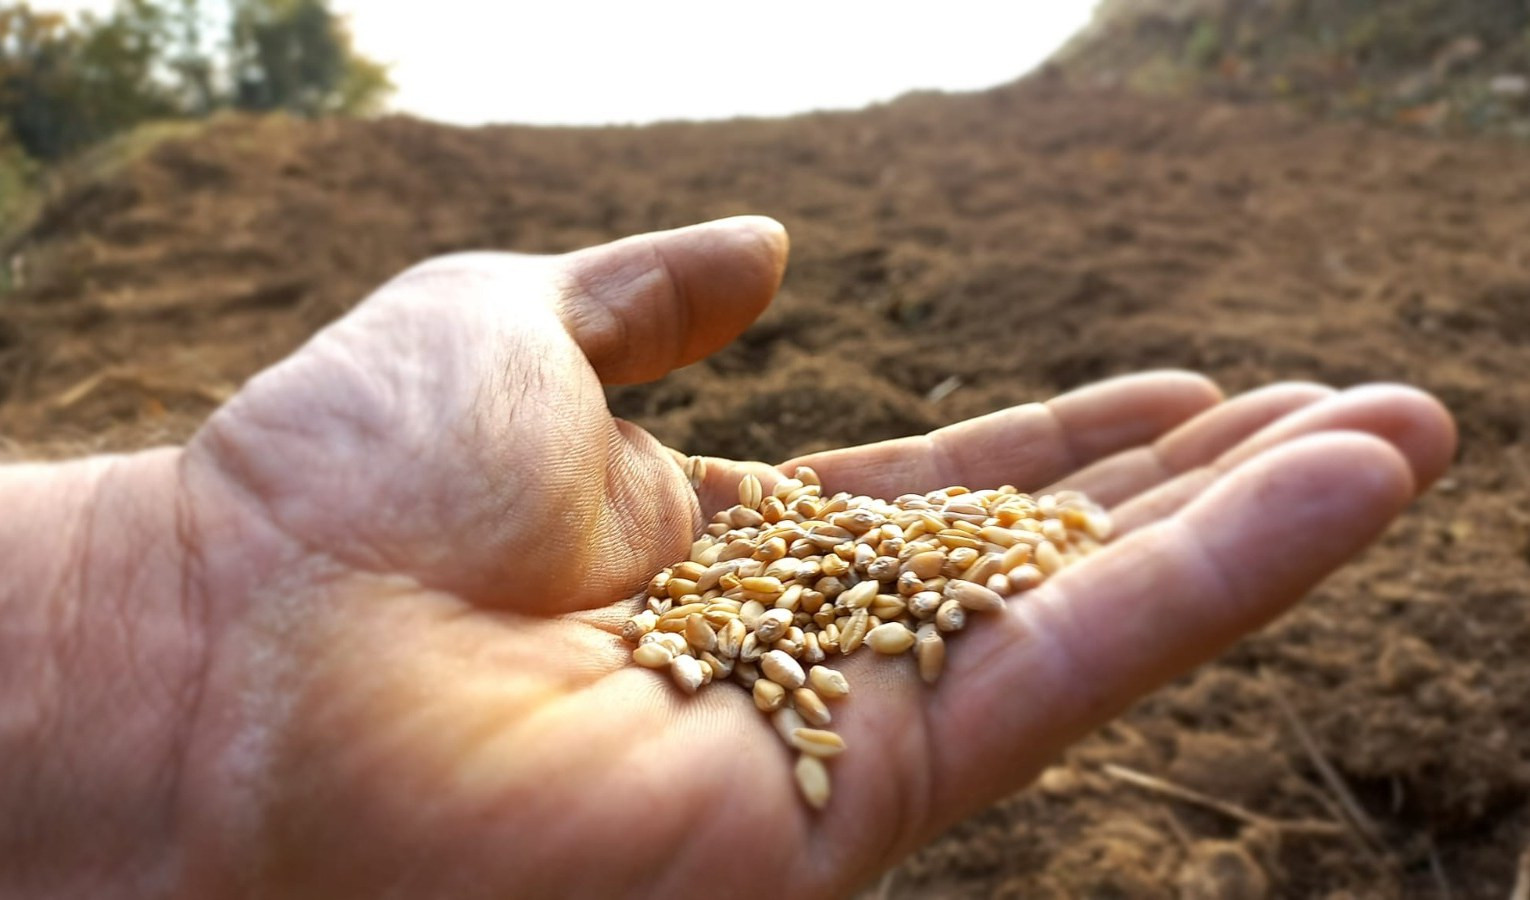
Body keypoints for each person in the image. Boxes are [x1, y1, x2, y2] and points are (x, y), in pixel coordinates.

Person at [0, 217, 1455, 897]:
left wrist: (160, 600)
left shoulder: (788, 597)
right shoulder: (747, 603)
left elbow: (800, 605)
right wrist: (186, 589)